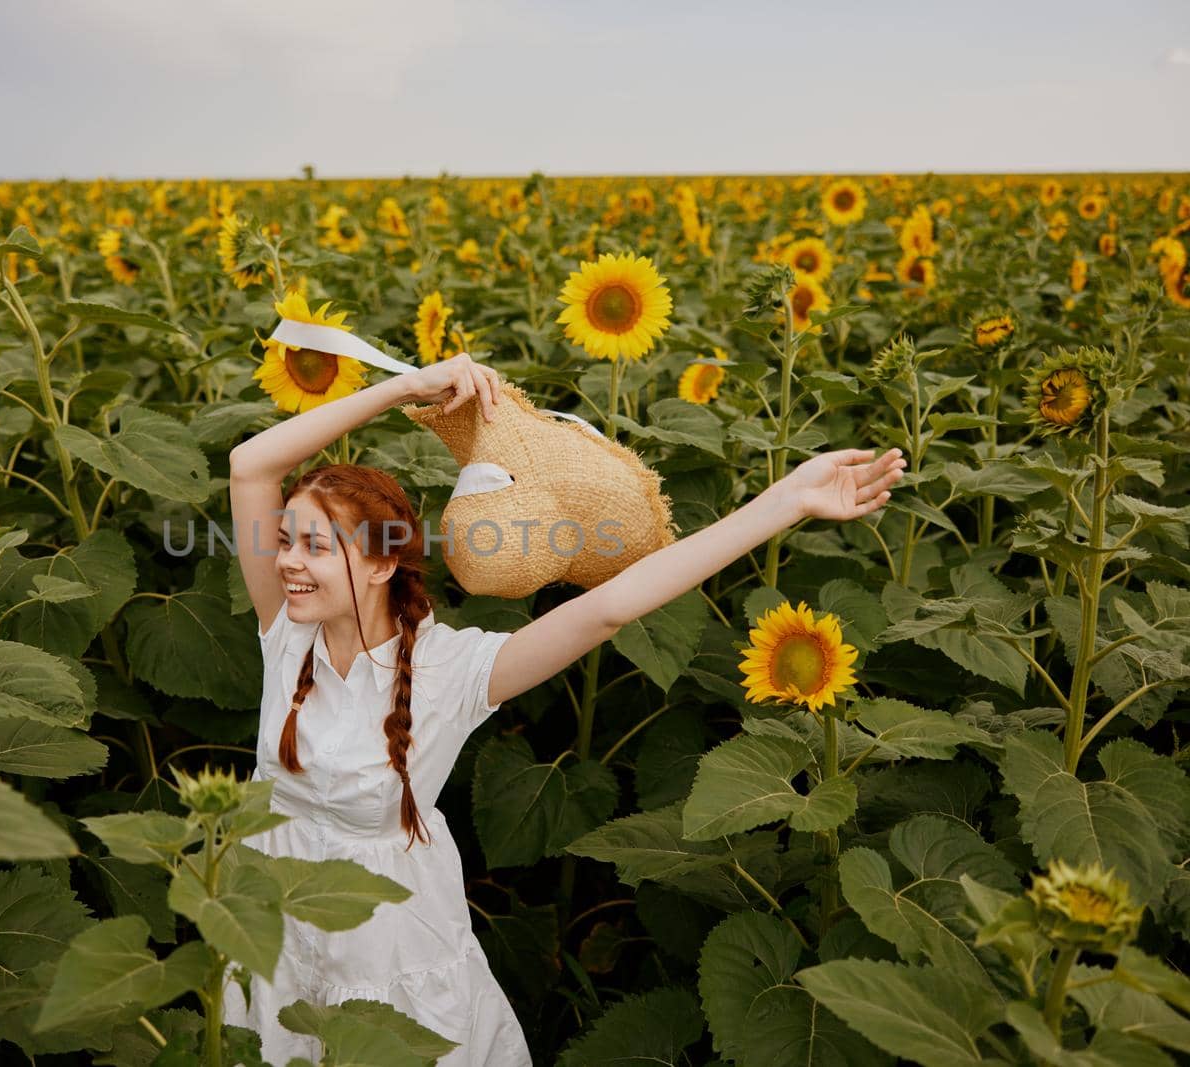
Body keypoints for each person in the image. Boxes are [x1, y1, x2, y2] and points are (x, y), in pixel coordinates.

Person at [224, 353, 906, 1064]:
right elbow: (250, 466)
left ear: (380, 562)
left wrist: (788, 501)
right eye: (283, 542)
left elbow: (609, 608)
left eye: (315, 546)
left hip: (385, 953)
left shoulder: (450, 670)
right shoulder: (285, 635)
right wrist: (405, 388)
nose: (288, 562)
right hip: (269, 923)